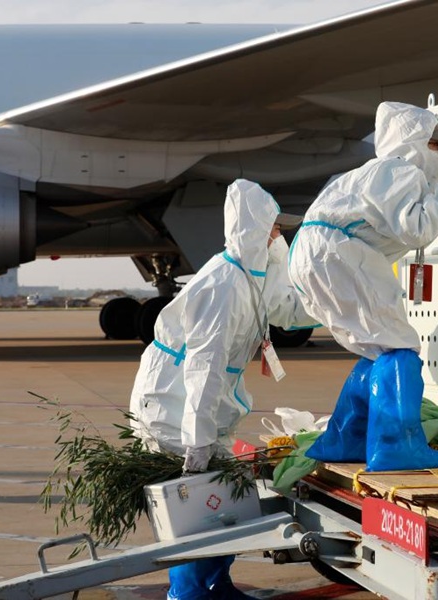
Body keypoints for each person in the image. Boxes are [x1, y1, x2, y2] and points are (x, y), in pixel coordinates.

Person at [129, 178, 314, 600]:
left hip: (205, 401)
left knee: (222, 499)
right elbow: (204, 368)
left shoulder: (249, 278)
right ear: (253, 229)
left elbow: (287, 308)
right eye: (272, 227)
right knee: (199, 503)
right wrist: (197, 441)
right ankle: (189, 592)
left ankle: (216, 583)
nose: (278, 235)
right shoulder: (224, 286)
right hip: (176, 401)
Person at [288, 101, 438, 472]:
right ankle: (396, 446)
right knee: (400, 347)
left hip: (317, 255)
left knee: (378, 348)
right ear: (413, 143)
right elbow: (417, 227)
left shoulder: (375, 173)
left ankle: (344, 438)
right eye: (436, 145)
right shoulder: (398, 170)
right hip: (339, 254)